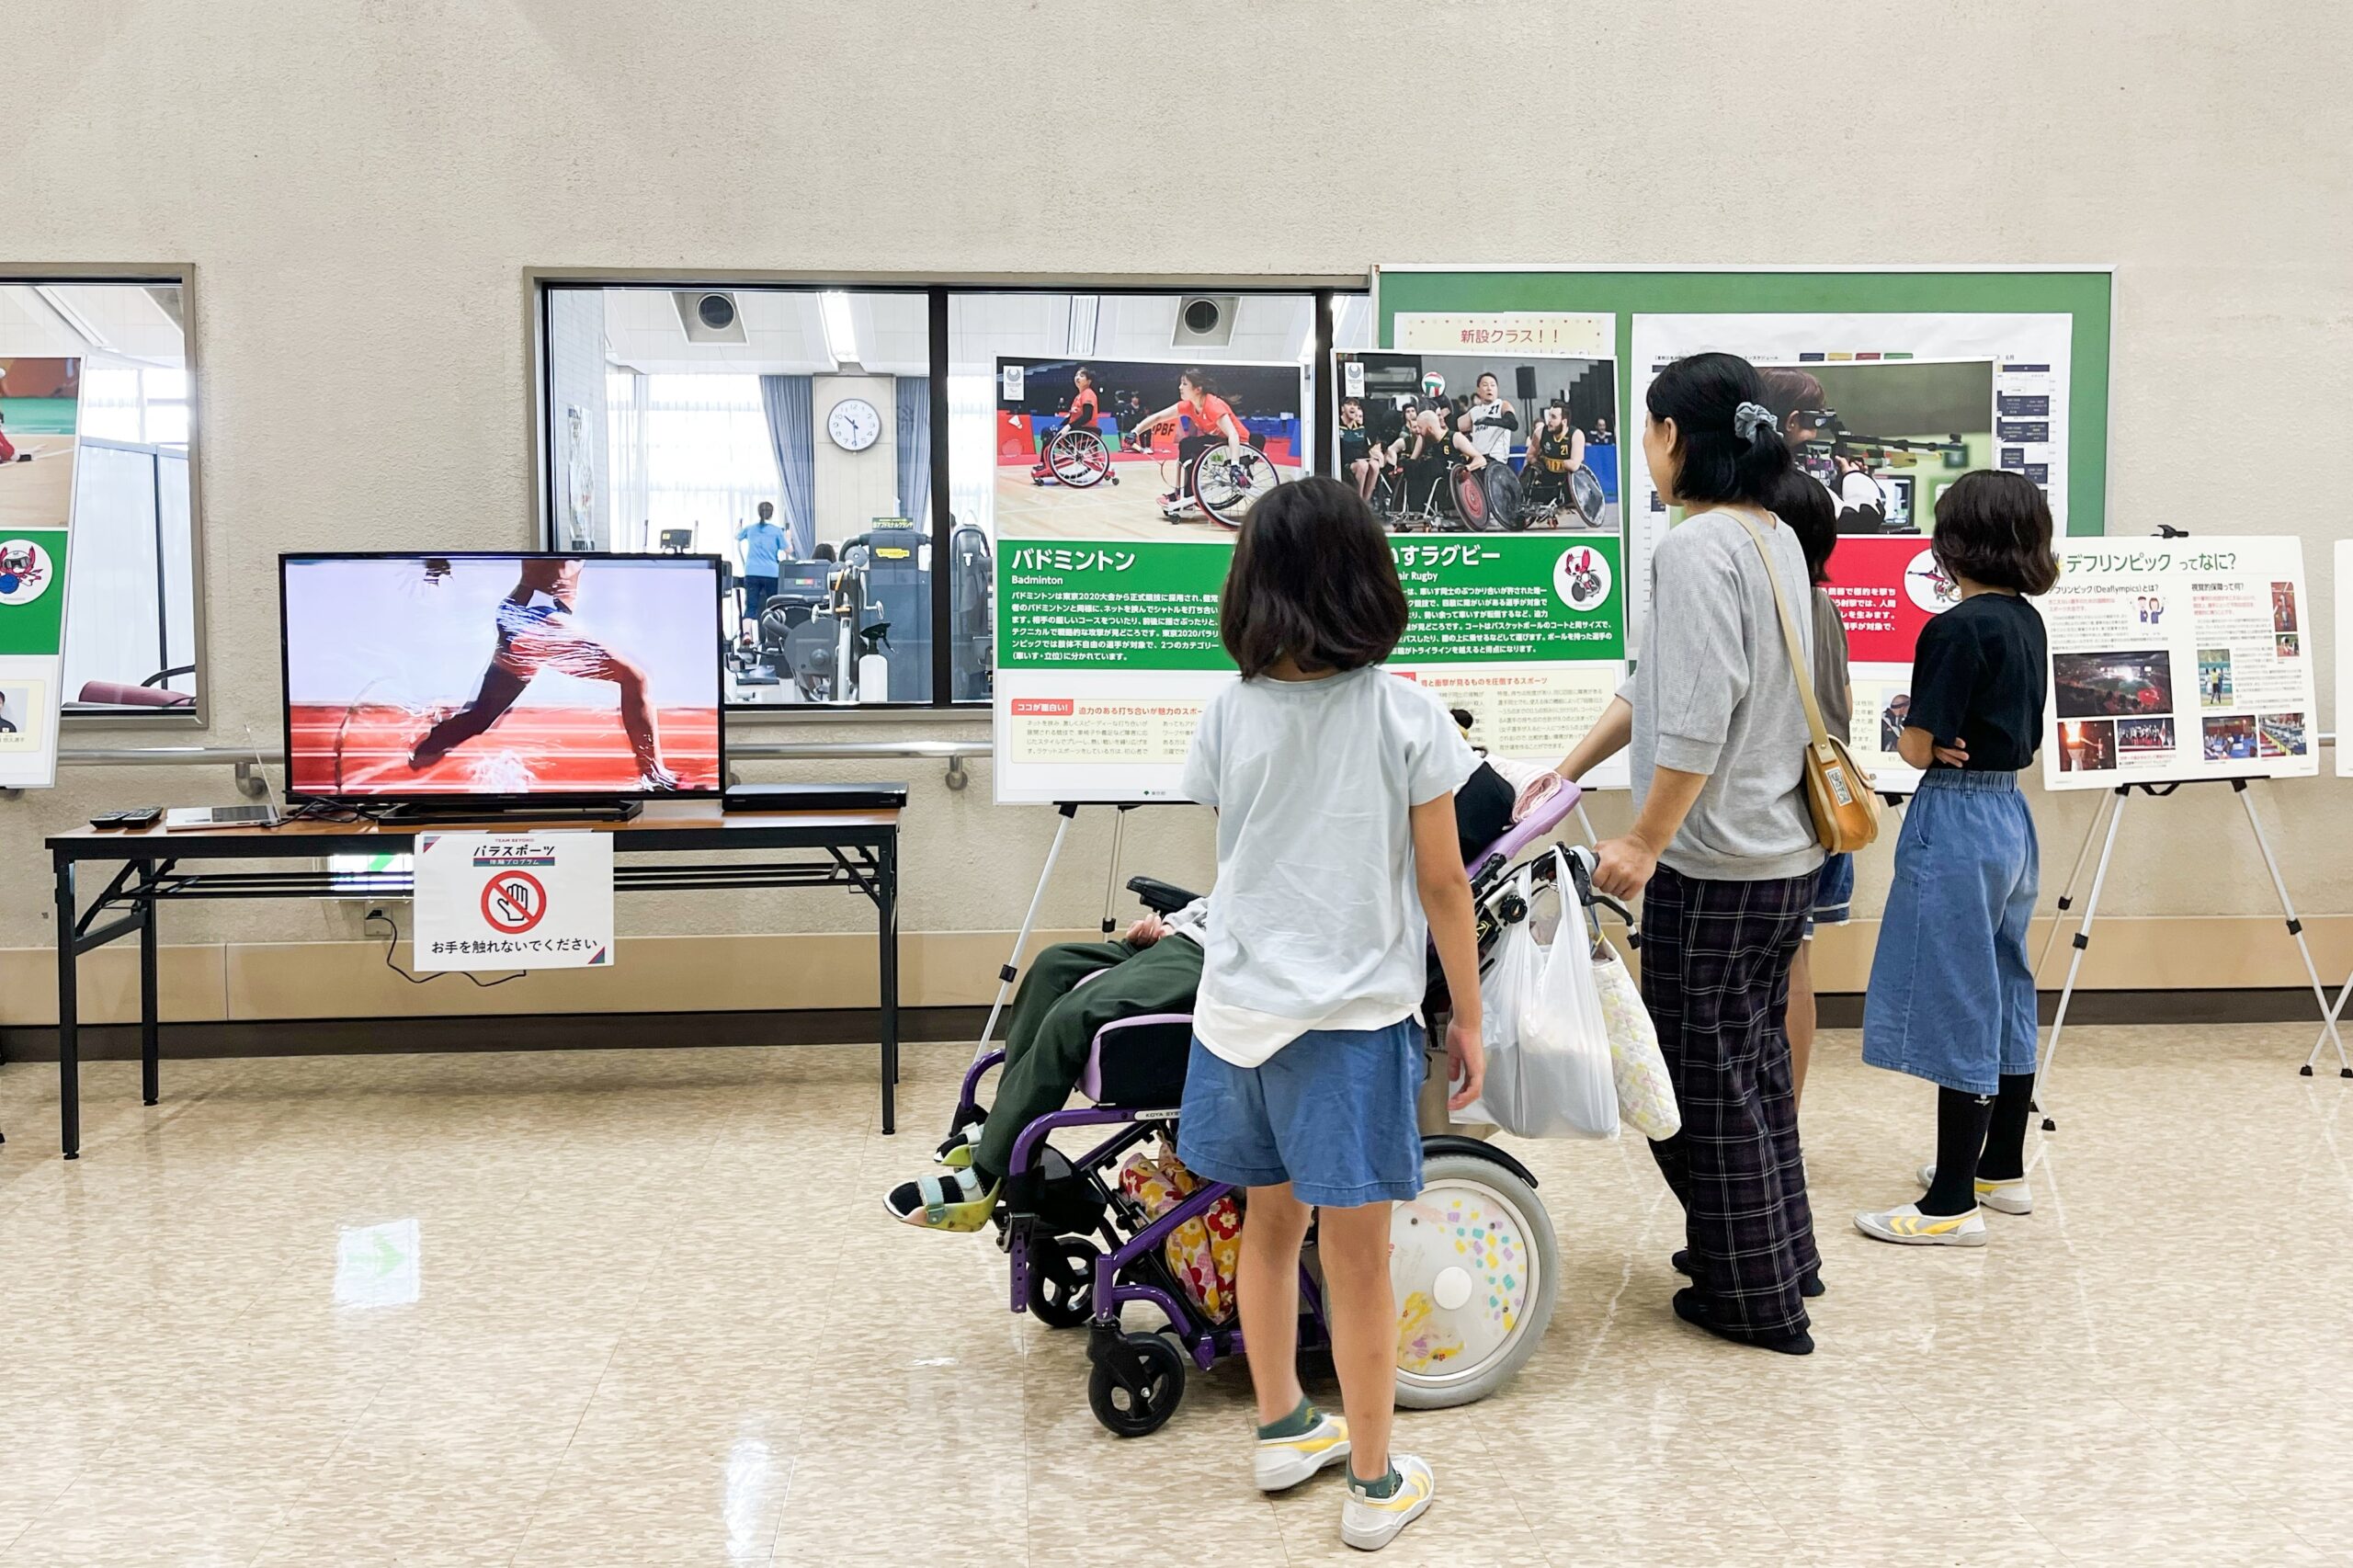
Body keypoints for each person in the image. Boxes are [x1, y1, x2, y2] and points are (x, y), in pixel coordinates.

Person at [1179, 477, 1483, 1549]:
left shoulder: (1229, 711)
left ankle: (1281, 1426)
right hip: (1351, 1023)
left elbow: (1239, 851)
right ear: (1368, 581)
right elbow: (1443, 882)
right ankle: (1372, 1480)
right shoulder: (1405, 713)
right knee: (1358, 1257)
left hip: (1236, 1015)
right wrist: (1469, 1014)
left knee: (1267, 1227)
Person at [882, 765, 1515, 1230]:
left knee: (1079, 1012)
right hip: (1201, 930)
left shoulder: (1391, 855)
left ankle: (988, 1174)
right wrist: (1177, 921)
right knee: (1052, 966)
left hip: (1232, 955)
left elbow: (1440, 867)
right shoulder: (1342, 818)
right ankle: (1002, 1128)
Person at [1552, 351, 1825, 1355]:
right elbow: (1653, 684)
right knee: (1752, 1068)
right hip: (1780, 854)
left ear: (1671, 435)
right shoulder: (1771, 535)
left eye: (1647, 431)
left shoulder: (1694, 547)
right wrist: (1565, 772)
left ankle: (1751, 1297)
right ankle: (1779, 1255)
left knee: (1702, 1084)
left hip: (1714, 863)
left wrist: (1644, 839)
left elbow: (1700, 713)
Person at [1854, 471, 2055, 1247]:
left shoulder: (1954, 629)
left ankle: (1949, 1204)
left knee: (1957, 995)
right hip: (2011, 815)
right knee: (2005, 984)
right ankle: (2001, 1167)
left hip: (1958, 817)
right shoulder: (2026, 620)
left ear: (1953, 543)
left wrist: (1923, 737)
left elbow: (1914, 747)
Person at [406, 557, 681, 790]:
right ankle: (654, 776)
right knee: (634, 678)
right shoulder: (554, 530)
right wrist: (437, 559)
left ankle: (424, 750)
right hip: (534, 616)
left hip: (525, 616)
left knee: (481, 716)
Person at [1762, 470, 1851, 1108]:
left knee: (1777, 973)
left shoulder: (1773, 607)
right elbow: (1839, 706)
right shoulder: (1826, 608)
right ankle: (1787, 1116)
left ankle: (1771, 1121)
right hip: (1822, 812)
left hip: (1776, 813)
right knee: (1797, 968)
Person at [1758, 368, 1888, 535]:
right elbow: (1862, 519)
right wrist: (1855, 477)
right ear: (1792, 421)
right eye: (1814, 419)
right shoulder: (1788, 481)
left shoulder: (1747, 471)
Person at [1131, 369, 1249, 520]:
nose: (1180, 387)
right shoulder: (1189, 406)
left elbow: (1233, 434)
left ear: (1197, 389)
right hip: (1220, 442)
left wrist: (1235, 466)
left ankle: (1187, 494)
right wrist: (1135, 432)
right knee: (1187, 444)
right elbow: (1158, 417)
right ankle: (1183, 492)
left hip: (1239, 445)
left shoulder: (1213, 405)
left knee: (1189, 445)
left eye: (1184, 384)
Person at [1029, 366, 1100, 480]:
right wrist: (1060, 427)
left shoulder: (1088, 394)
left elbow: (1087, 416)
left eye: (1081, 376)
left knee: (1047, 431)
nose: (1077, 378)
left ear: (1088, 381)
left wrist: (1068, 427)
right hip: (1076, 429)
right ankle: (1047, 464)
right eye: (1076, 375)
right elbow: (1071, 417)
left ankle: (1047, 465)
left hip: (1084, 431)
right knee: (1049, 431)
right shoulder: (1079, 396)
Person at [1522, 402, 1588, 517]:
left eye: (1553, 417)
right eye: (1549, 416)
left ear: (1564, 421)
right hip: (1547, 475)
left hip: (1567, 479)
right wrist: (1535, 462)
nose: (1549, 421)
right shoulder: (1540, 432)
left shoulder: (1576, 435)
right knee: (1528, 469)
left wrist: (1561, 463)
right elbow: (1530, 455)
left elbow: (1574, 465)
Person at [1452, 370, 1518, 472]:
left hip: (1495, 463)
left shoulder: (1502, 405)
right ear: (1478, 390)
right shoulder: (1475, 412)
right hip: (1477, 461)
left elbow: (1512, 424)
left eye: (1493, 385)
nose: (1489, 388)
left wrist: (1489, 421)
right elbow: (1453, 427)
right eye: (1485, 385)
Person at [736, 502, 785, 621]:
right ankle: (774, 629)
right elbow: (788, 549)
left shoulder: (750, 529)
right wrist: (788, 537)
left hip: (752, 572)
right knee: (774, 606)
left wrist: (738, 527)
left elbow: (737, 536)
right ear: (771, 514)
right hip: (772, 574)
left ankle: (746, 632)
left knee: (750, 608)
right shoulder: (777, 531)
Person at [1339, 397, 1376, 500]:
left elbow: (1366, 449)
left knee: (1375, 465)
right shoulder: (1336, 426)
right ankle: (1358, 500)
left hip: (1360, 460)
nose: (1352, 407)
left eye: (1355, 405)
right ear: (1342, 408)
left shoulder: (1361, 429)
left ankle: (1366, 501)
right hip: (1344, 464)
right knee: (1363, 465)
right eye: (1349, 404)